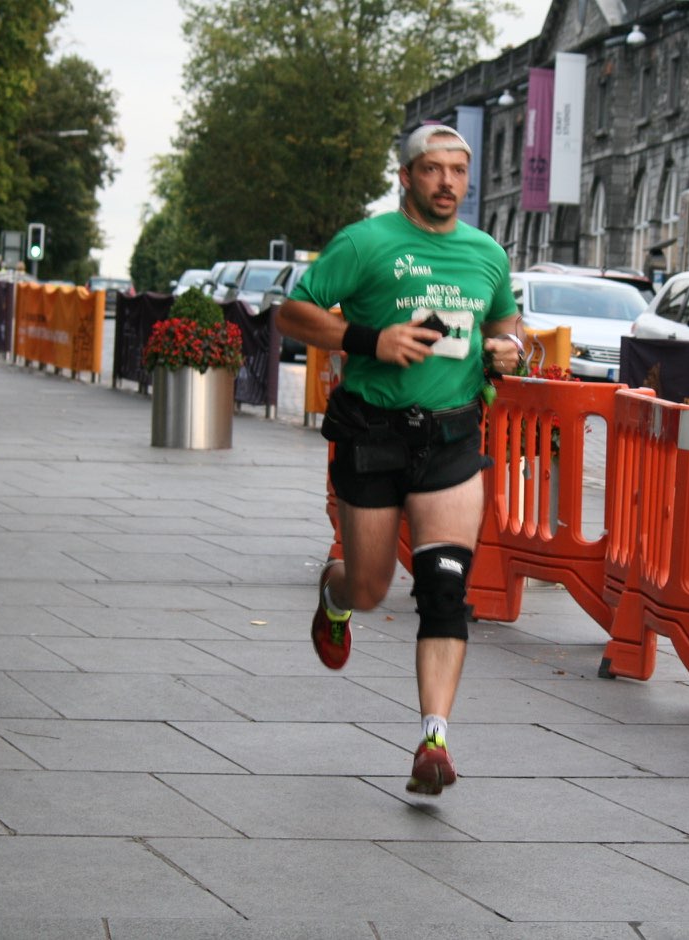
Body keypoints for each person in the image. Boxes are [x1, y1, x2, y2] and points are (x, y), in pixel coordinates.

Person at [277, 125, 522, 796]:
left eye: (458, 171)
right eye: (433, 170)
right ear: (407, 176)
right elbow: (291, 314)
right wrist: (369, 338)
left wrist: (511, 351)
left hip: (451, 440)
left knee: (445, 589)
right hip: (373, 432)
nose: (448, 183)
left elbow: (506, 325)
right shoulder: (367, 243)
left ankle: (433, 738)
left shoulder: (486, 254)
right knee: (370, 587)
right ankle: (335, 593)